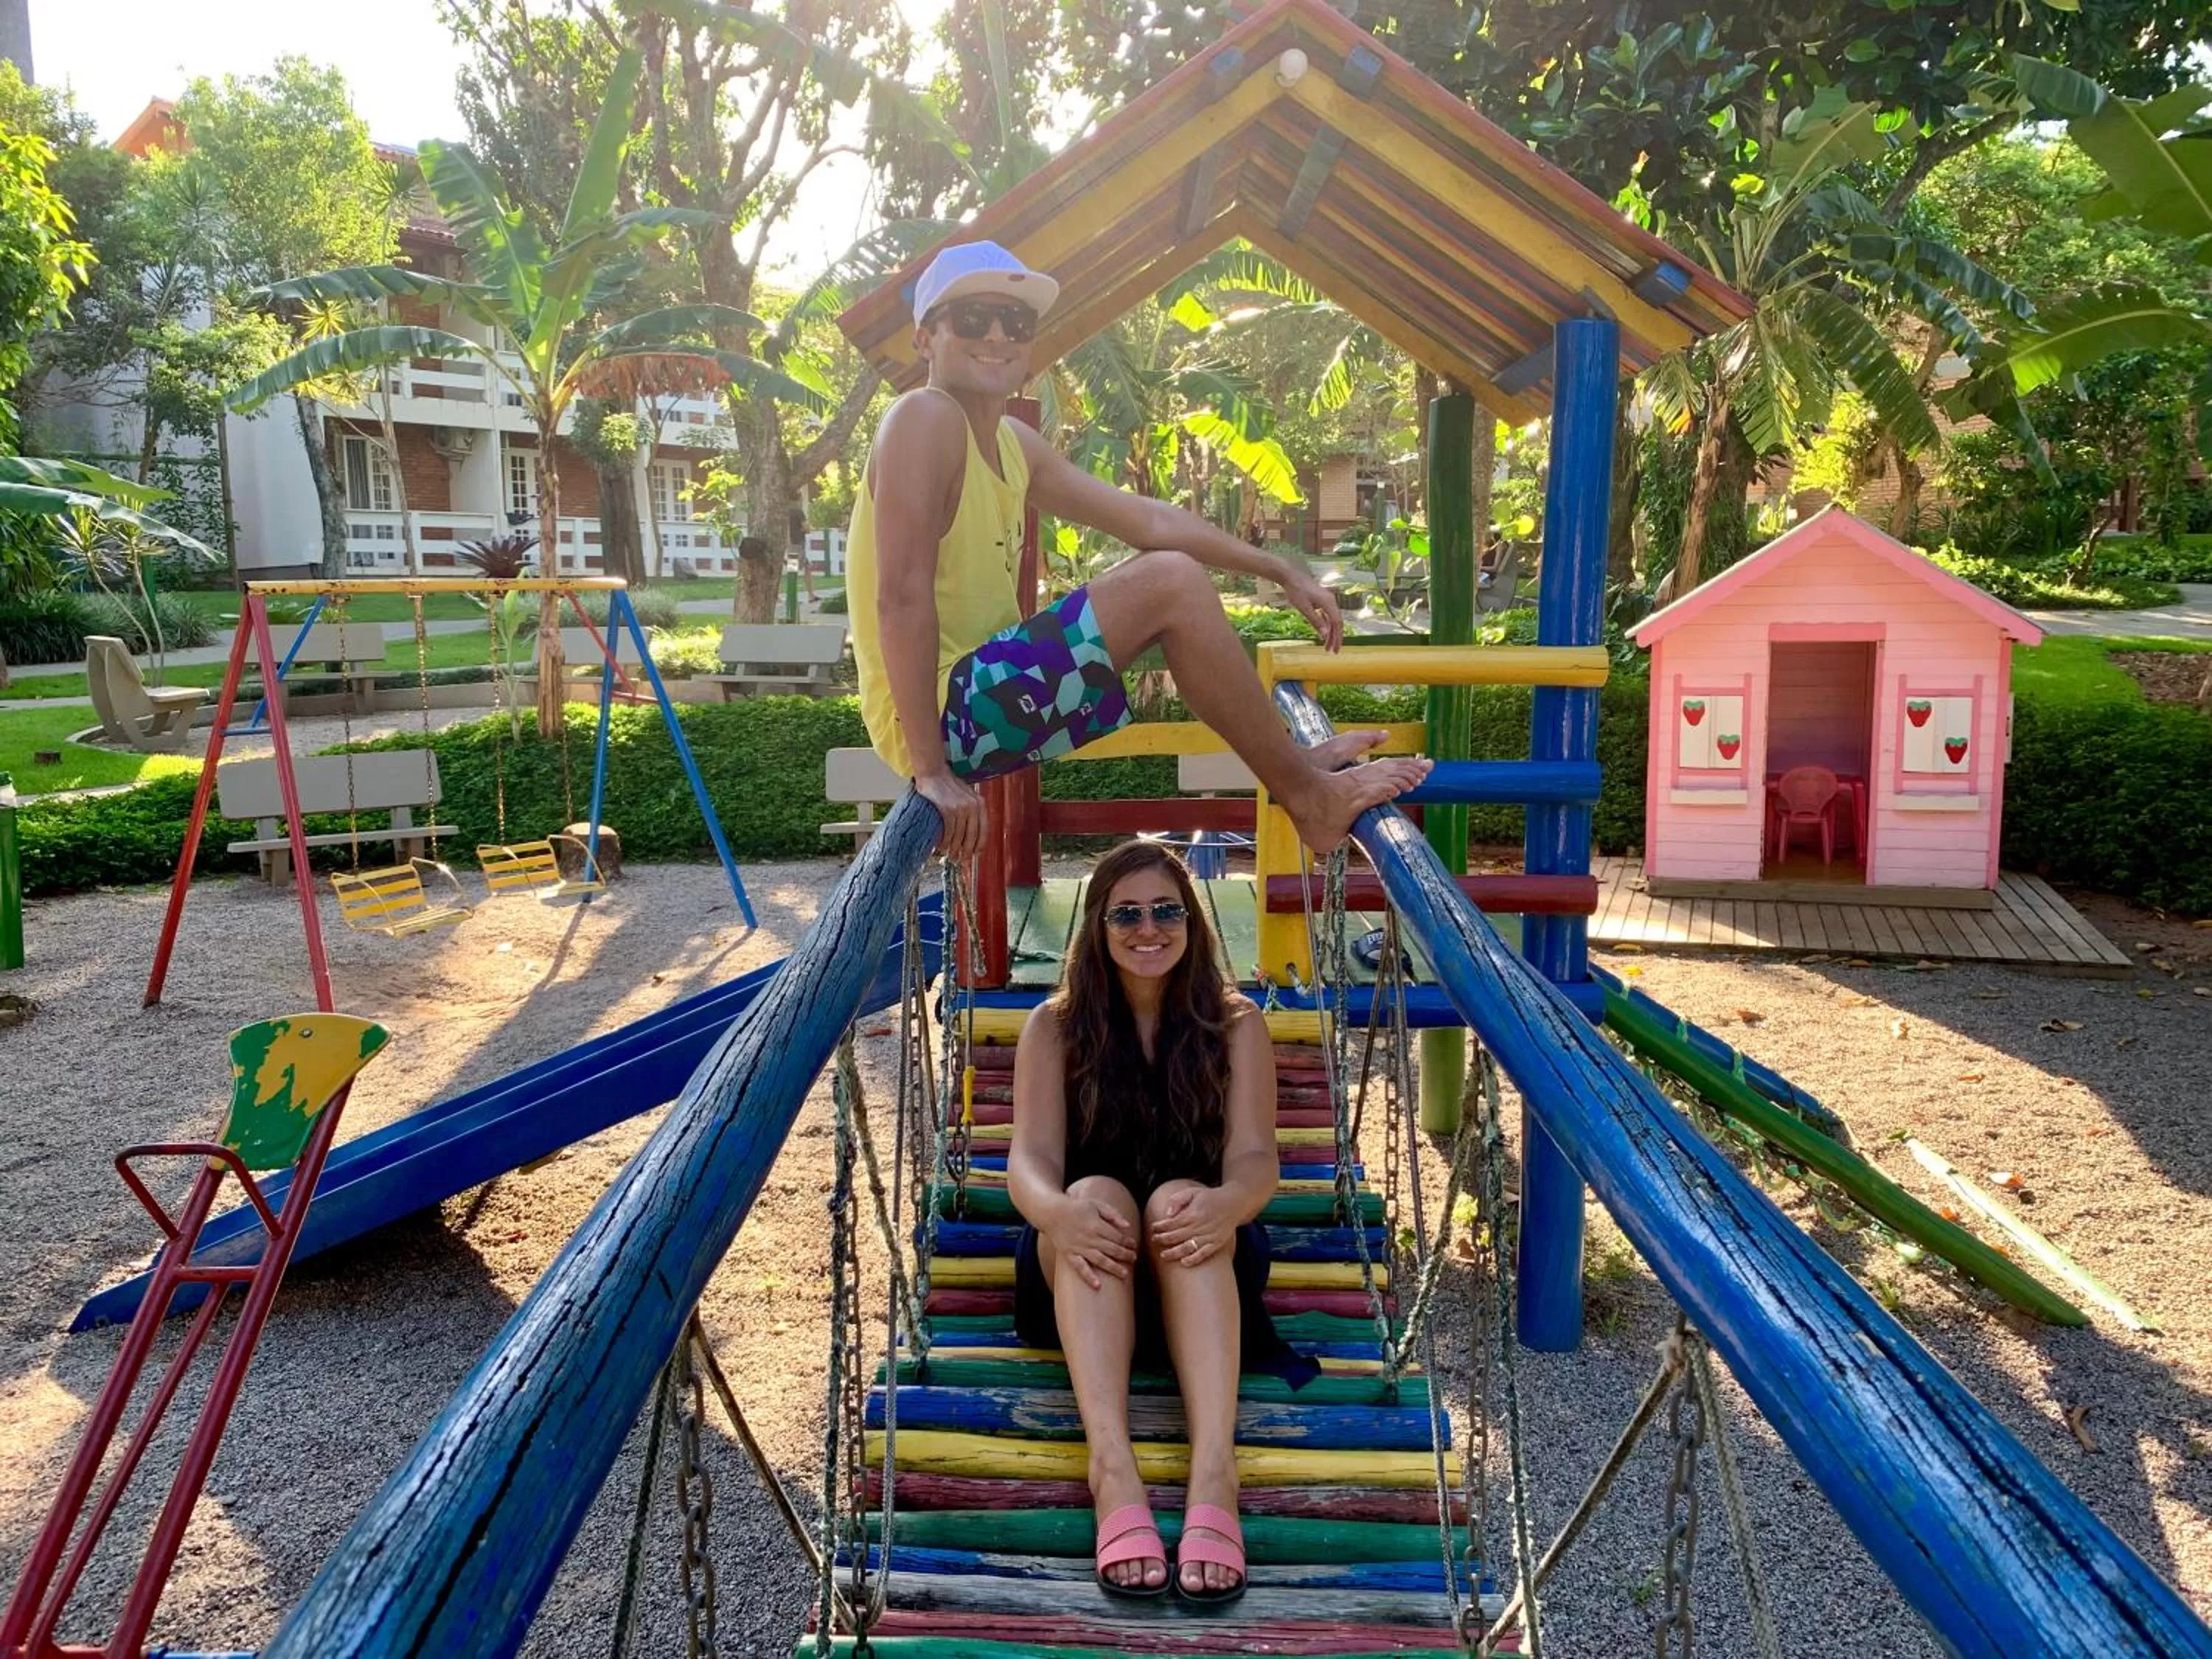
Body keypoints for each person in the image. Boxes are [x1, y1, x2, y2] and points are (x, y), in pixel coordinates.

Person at [846, 240, 1432, 856]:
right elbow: (900, 596)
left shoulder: (1013, 443)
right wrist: (930, 769)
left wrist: (1278, 567)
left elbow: (1147, 519)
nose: (996, 335)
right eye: (971, 318)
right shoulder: (924, 417)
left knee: (1171, 576)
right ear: (925, 339)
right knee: (1170, 582)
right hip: (939, 716)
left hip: (979, 699)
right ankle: (1310, 799)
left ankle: (1294, 767)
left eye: (1015, 321)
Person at [1006, 841, 1313, 1604]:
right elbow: (1030, 1163)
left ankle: (1215, 1472)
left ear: (1192, 922)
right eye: (1128, 915)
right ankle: (1112, 1469)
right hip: (1084, 1268)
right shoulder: (1054, 1027)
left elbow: (1255, 1159)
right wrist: (1059, 1214)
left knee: (1180, 1195)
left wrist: (1228, 1204)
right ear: (1098, 927)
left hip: (1201, 1263)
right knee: (1096, 1193)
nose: (1150, 929)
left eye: (1167, 910)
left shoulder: (1236, 1025)